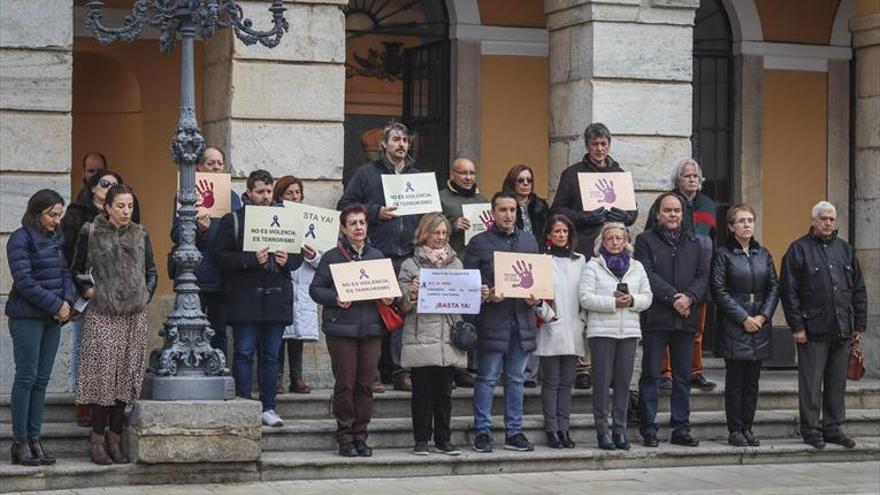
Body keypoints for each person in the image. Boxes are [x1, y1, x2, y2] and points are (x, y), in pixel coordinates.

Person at [71, 184, 157, 465]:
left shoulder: (141, 234)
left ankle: (115, 440)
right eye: (120, 206)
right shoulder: (91, 231)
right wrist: (88, 292)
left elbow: (152, 271)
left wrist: (145, 295)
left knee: (125, 378)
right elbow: (77, 269)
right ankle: (97, 441)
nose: (125, 211)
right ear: (107, 207)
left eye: (129, 206)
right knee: (103, 379)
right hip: (103, 314)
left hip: (133, 315)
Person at [550, 123, 638, 390]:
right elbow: (558, 211)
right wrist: (584, 217)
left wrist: (624, 216)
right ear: (587, 146)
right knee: (585, 307)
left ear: (609, 145)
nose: (600, 149)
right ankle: (583, 366)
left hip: (615, 255)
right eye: (595, 144)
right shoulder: (572, 174)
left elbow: (632, 214)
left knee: (610, 305)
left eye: (604, 144)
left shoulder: (619, 174)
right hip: (586, 248)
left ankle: (607, 368)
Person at [337, 121, 422, 392]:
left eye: (405, 140)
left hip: (408, 254)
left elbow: (427, 214)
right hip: (377, 254)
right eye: (396, 140)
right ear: (384, 144)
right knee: (374, 315)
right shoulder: (366, 173)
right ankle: (372, 373)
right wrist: (375, 212)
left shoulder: (416, 176)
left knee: (403, 314)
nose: (401, 145)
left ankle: (401, 371)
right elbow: (345, 206)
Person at [215, 170, 303, 427]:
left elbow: (296, 256)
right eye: (260, 192)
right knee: (243, 352)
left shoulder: (286, 219)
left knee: (271, 356)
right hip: (245, 299)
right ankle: (244, 403)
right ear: (249, 193)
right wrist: (250, 260)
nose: (265, 197)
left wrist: (290, 260)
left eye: (268, 191)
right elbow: (221, 257)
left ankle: (269, 407)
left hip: (276, 299)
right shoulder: (233, 220)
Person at [780, 201, 867, 450]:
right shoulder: (798, 250)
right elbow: (789, 293)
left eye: (831, 219)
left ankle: (833, 427)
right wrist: (797, 327)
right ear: (814, 220)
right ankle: (810, 429)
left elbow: (858, 289)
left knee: (837, 383)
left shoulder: (845, 250)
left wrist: (858, 323)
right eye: (823, 218)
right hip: (812, 330)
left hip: (842, 328)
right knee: (810, 383)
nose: (828, 223)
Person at [309, 204, 394, 457]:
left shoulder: (377, 256)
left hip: (371, 329)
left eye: (362, 222)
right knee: (345, 383)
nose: (358, 227)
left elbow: (388, 291)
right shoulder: (332, 257)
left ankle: (361, 435)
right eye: (353, 223)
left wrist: (390, 298)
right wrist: (336, 298)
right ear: (343, 228)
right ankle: (345, 435)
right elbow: (316, 290)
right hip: (341, 329)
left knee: (365, 383)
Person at [465, 192, 539, 453]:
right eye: (503, 210)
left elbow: (537, 279)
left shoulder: (529, 241)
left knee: (516, 379)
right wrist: (486, 293)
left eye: (512, 210)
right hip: (492, 321)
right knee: (486, 378)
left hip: (522, 320)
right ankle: (482, 431)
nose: (508, 215)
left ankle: (514, 432)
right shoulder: (479, 243)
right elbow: (469, 284)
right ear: (493, 212)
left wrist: (535, 299)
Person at [6, 189, 75, 466]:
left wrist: (67, 301)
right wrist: (55, 305)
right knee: (26, 377)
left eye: (59, 214)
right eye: (52, 215)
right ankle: (19, 442)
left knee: (41, 380)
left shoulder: (55, 238)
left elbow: (64, 273)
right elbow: (24, 281)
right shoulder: (19, 239)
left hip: (52, 318)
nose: (57, 221)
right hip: (26, 317)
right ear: (36, 213)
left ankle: (35, 439)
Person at [635, 192, 709, 448]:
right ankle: (649, 427)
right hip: (657, 317)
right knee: (652, 375)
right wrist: (673, 298)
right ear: (658, 213)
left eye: (677, 210)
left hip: (687, 318)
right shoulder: (644, 240)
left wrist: (688, 298)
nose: (673, 214)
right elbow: (647, 273)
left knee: (683, 376)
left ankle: (681, 428)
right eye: (668, 210)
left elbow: (703, 276)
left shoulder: (696, 242)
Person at [397, 213, 468, 456]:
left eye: (444, 233)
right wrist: (412, 294)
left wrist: (475, 294)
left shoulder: (456, 264)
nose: (441, 237)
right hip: (421, 334)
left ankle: (443, 439)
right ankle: (421, 439)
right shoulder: (410, 265)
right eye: (436, 232)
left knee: (444, 393)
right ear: (425, 233)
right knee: (422, 392)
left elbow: (463, 301)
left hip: (447, 336)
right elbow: (402, 305)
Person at [646, 158, 718, 392]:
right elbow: (651, 235)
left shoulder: (708, 204)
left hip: (699, 280)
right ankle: (666, 373)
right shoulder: (667, 203)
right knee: (667, 329)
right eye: (688, 176)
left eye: (696, 176)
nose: (692, 180)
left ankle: (695, 371)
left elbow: (714, 240)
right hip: (667, 281)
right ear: (678, 179)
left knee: (696, 328)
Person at [711, 204, 780, 447]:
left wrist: (763, 316)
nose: (747, 225)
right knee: (736, 381)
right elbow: (718, 290)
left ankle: (748, 428)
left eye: (750, 220)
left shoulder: (763, 254)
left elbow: (774, 287)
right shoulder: (723, 254)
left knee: (752, 382)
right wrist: (743, 318)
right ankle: (735, 429)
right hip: (735, 324)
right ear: (731, 226)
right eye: (741, 221)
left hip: (759, 323)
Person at [580, 222, 653, 450]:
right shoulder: (593, 266)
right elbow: (585, 298)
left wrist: (631, 300)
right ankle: (602, 431)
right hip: (601, 331)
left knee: (623, 383)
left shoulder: (636, 266)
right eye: (610, 238)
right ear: (602, 242)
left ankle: (619, 431)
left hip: (629, 331)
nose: (614, 242)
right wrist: (613, 302)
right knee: (601, 384)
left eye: (619, 238)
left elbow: (647, 296)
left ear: (626, 242)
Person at [59, 169, 123, 427]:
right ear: (94, 188)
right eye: (105, 184)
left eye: (115, 185)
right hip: (86, 292)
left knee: (112, 352)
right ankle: (83, 403)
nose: (110, 188)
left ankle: (107, 404)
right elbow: (68, 256)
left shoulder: (122, 216)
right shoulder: (76, 215)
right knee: (85, 349)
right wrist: (83, 287)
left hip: (115, 296)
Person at [170, 146, 242, 358]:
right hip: (194, 276)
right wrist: (197, 229)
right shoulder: (185, 194)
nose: (217, 167)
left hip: (224, 274)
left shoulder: (233, 198)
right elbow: (175, 234)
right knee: (186, 329)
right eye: (211, 163)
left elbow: (240, 232)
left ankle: (217, 369)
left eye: (220, 163)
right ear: (200, 166)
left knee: (219, 329)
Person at [532, 214, 586, 449]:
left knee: (567, 382)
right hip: (551, 327)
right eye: (557, 232)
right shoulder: (542, 261)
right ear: (548, 236)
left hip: (574, 327)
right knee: (551, 382)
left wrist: (583, 321)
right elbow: (536, 295)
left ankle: (565, 427)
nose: (561, 236)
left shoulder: (581, 260)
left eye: (565, 232)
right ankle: (552, 429)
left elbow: (585, 295)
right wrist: (547, 315)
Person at [438, 156, 487, 388]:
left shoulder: (482, 200)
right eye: (463, 173)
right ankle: (449, 368)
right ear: (452, 175)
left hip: (474, 267)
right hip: (447, 267)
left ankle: (464, 366)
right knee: (449, 320)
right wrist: (451, 225)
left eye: (472, 173)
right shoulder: (441, 197)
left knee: (469, 319)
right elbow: (428, 225)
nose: (468, 177)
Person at [501, 164, 549, 388]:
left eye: (529, 180)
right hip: (510, 265)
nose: (525, 184)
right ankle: (509, 370)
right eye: (520, 180)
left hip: (535, 263)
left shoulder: (541, 206)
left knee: (533, 319)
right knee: (509, 319)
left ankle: (530, 372)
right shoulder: (505, 205)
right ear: (512, 182)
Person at [273, 175, 320, 394]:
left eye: (297, 192)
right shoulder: (273, 218)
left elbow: (324, 259)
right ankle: (277, 378)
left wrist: (312, 255)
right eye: (289, 193)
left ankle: (297, 378)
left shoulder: (312, 220)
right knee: (280, 333)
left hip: (304, 284)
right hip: (282, 280)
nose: (295, 196)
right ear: (280, 196)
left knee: (298, 335)